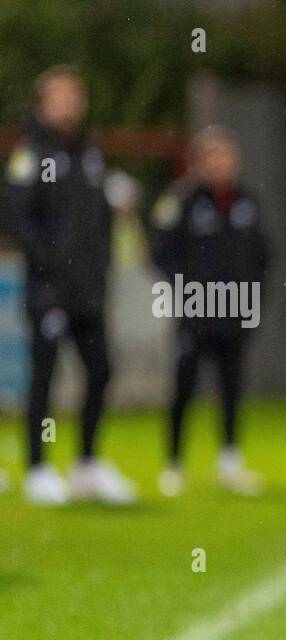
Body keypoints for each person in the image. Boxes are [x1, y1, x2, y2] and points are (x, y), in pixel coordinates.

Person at [3, 65, 137, 505]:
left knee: (101, 370)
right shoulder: (32, 155)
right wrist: (53, 264)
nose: (70, 104)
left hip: (88, 289)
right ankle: (38, 467)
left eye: (75, 96)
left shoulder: (89, 154)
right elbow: (18, 218)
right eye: (61, 96)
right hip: (49, 290)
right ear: (43, 103)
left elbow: (96, 220)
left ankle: (87, 464)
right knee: (45, 377)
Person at [149, 126, 267, 496]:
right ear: (199, 162)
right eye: (215, 156)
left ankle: (230, 460)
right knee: (184, 385)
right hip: (196, 312)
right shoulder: (181, 200)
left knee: (232, 385)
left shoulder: (247, 201)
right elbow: (159, 250)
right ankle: (174, 463)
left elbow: (264, 256)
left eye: (228, 156)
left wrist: (254, 297)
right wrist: (185, 290)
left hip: (235, 310)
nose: (224, 164)